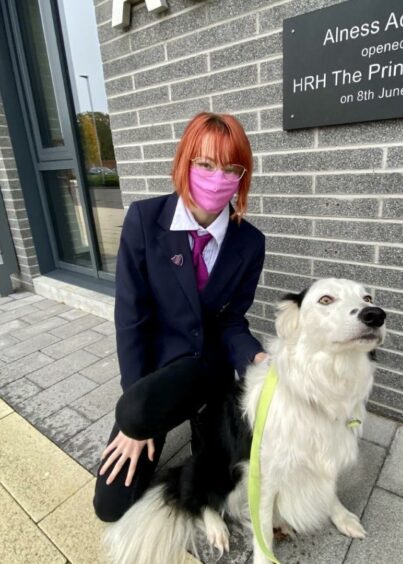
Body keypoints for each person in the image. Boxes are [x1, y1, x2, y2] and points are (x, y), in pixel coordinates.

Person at [92, 111, 269, 522]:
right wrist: (139, 412)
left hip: (209, 371)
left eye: (231, 168)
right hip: (158, 371)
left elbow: (231, 321)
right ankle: (154, 415)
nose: (217, 176)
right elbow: (131, 318)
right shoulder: (144, 220)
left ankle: (202, 417)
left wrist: (258, 358)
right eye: (205, 164)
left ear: (242, 177)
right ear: (185, 163)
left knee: (217, 484)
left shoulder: (250, 242)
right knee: (111, 505)